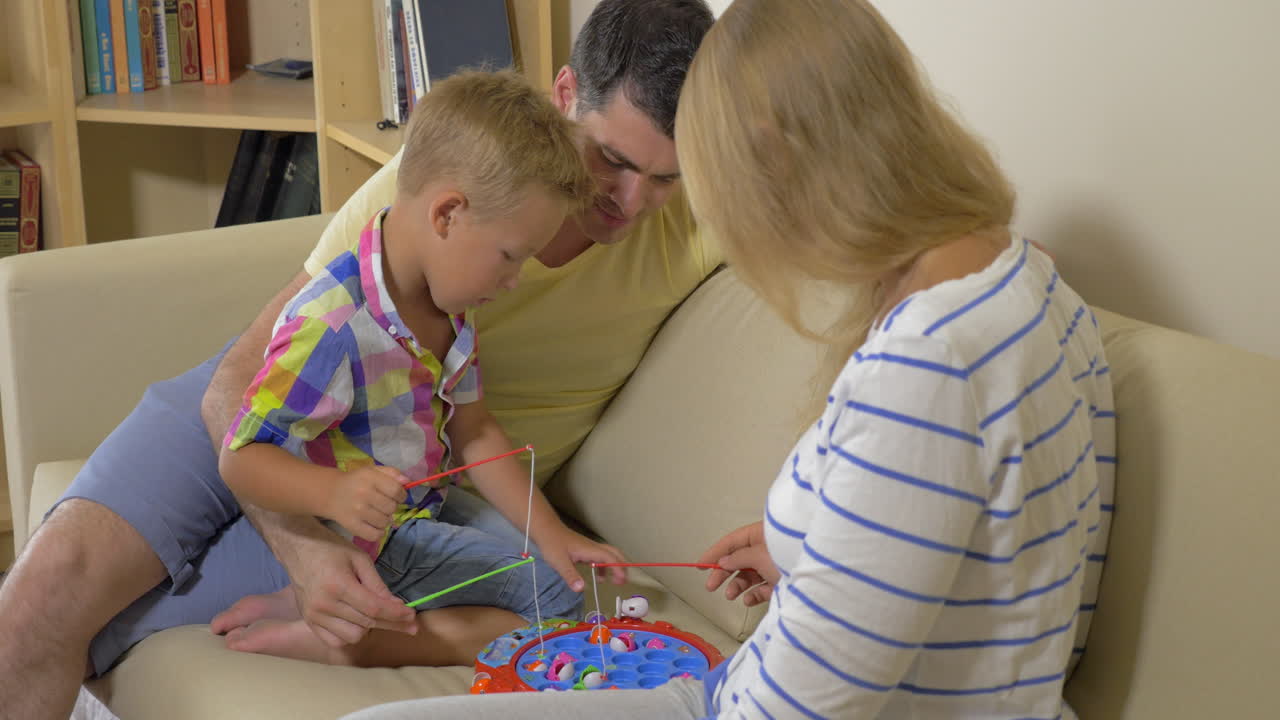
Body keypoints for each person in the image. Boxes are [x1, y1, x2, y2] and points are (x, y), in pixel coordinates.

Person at [338, 0, 1117, 718]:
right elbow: (996, 576)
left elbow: (792, 709)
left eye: (693, 178)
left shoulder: (931, 368)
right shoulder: (1027, 282)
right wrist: (813, 543)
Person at [0, 1, 717, 717]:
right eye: (613, 161)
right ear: (565, 97)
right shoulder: (459, 174)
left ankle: (350, 636)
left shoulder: (702, 222)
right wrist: (301, 546)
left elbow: (816, 173)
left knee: (556, 614)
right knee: (44, 596)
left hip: (400, 484)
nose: (631, 201)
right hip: (273, 408)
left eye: (666, 178)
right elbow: (246, 387)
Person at [214, 69, 626, 666]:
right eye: (509, 258)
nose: (514, 282)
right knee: (554, 605)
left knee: (558, 573)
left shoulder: (449, 303)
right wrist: (334, 491)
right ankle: (356, 641)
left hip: (420, 513)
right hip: (371, 538)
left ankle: (324, 610)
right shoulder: (332, 324)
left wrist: (553, 532)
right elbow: (241, 456)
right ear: (447, 215)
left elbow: (475, 430)